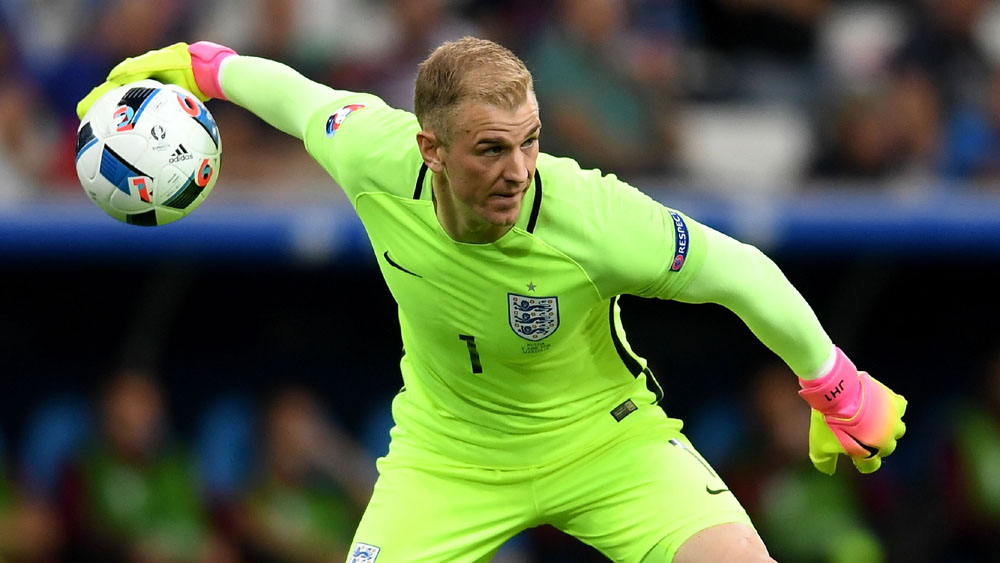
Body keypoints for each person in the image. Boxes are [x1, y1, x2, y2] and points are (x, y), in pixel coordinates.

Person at [75, 37, 908, 562]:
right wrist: (196, 67)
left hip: (608, 447)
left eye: (531, 142)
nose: (518, 169)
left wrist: (834, 382)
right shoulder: (373, 152)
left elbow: (742, 272)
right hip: (449, 459)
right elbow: (289, 95)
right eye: (490, 149)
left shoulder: (595, 215)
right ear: (430, 148)